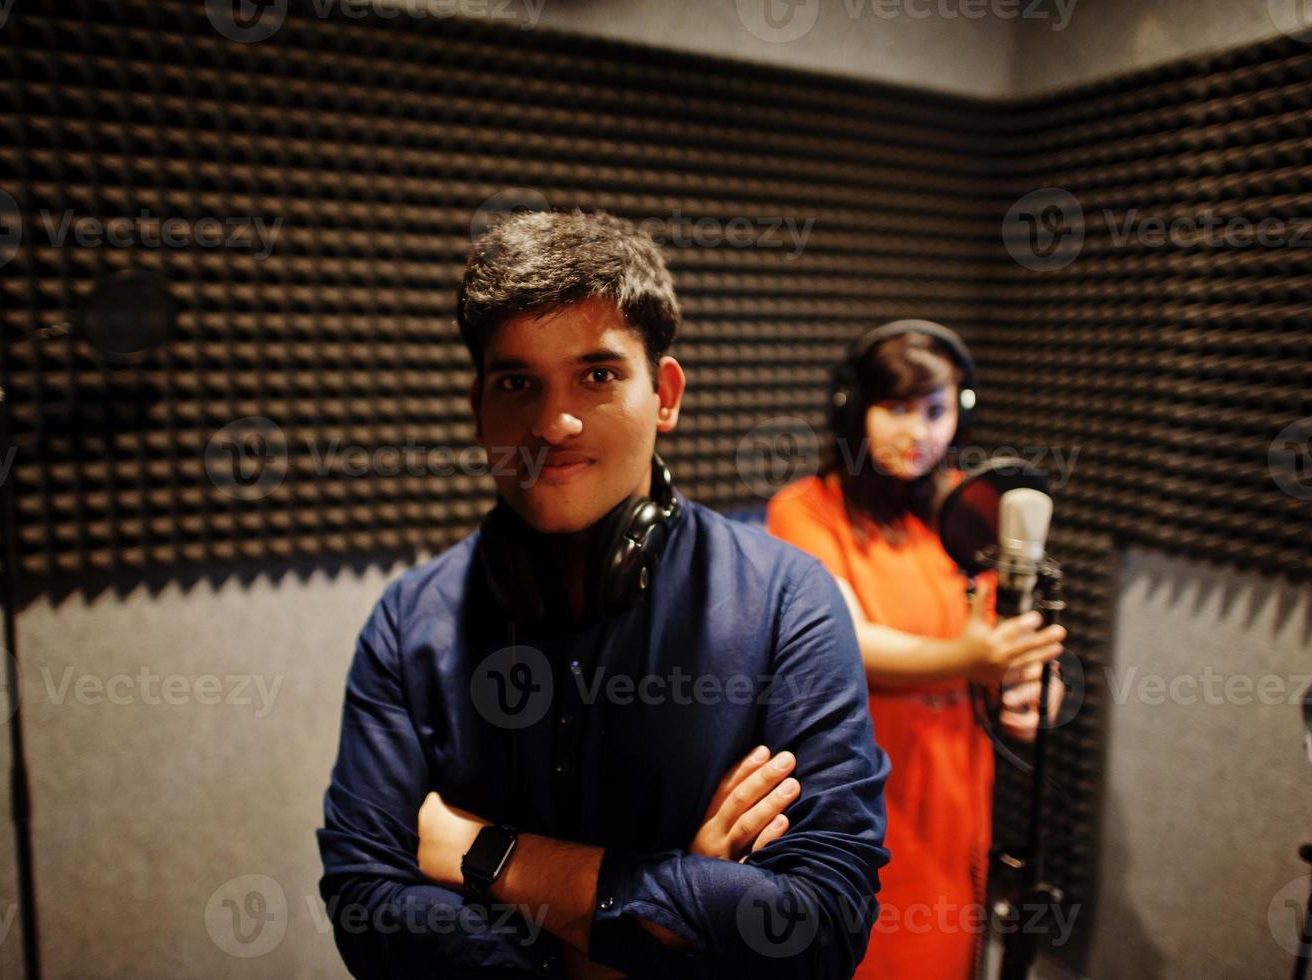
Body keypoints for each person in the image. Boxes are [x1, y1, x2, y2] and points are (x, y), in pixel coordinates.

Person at [316, 210, 890, 978]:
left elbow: (821, 923)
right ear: (477, 408)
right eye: (517, 382)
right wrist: (659, 918)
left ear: (666, 394)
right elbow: (367, 909)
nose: (553, 423)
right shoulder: (408, 620)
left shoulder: (787, 603)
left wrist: (495, 857)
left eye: (597, 374)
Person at [765, 320, 1067, 980]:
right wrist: (970, 659)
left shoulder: (969, 508)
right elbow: (849, 642)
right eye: (896, 408)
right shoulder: (805, 510)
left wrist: (1030, 690)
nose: (917, 432)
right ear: (853, 410)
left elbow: (1009, 634)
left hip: (954, 794)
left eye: (933, 411)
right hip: (860, 796)